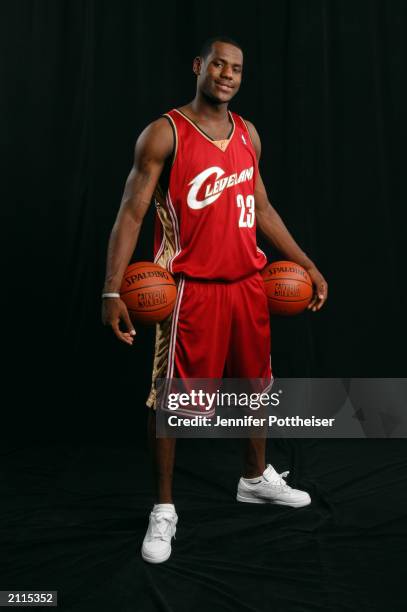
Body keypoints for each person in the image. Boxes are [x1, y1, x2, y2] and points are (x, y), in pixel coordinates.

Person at [101, 35, 328, 564]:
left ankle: (253, 478)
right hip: (188, 289)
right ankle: (163, 509)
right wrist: (112, 288)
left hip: (248, 284)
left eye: (237, 69)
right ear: (199, 67)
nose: (228, 74)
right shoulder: (165, 133)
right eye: (219, 65)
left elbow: (263, 208)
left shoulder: (248, 133)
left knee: (256, 388)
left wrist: (308, 263)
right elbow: (131, 212)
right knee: (174, 402)